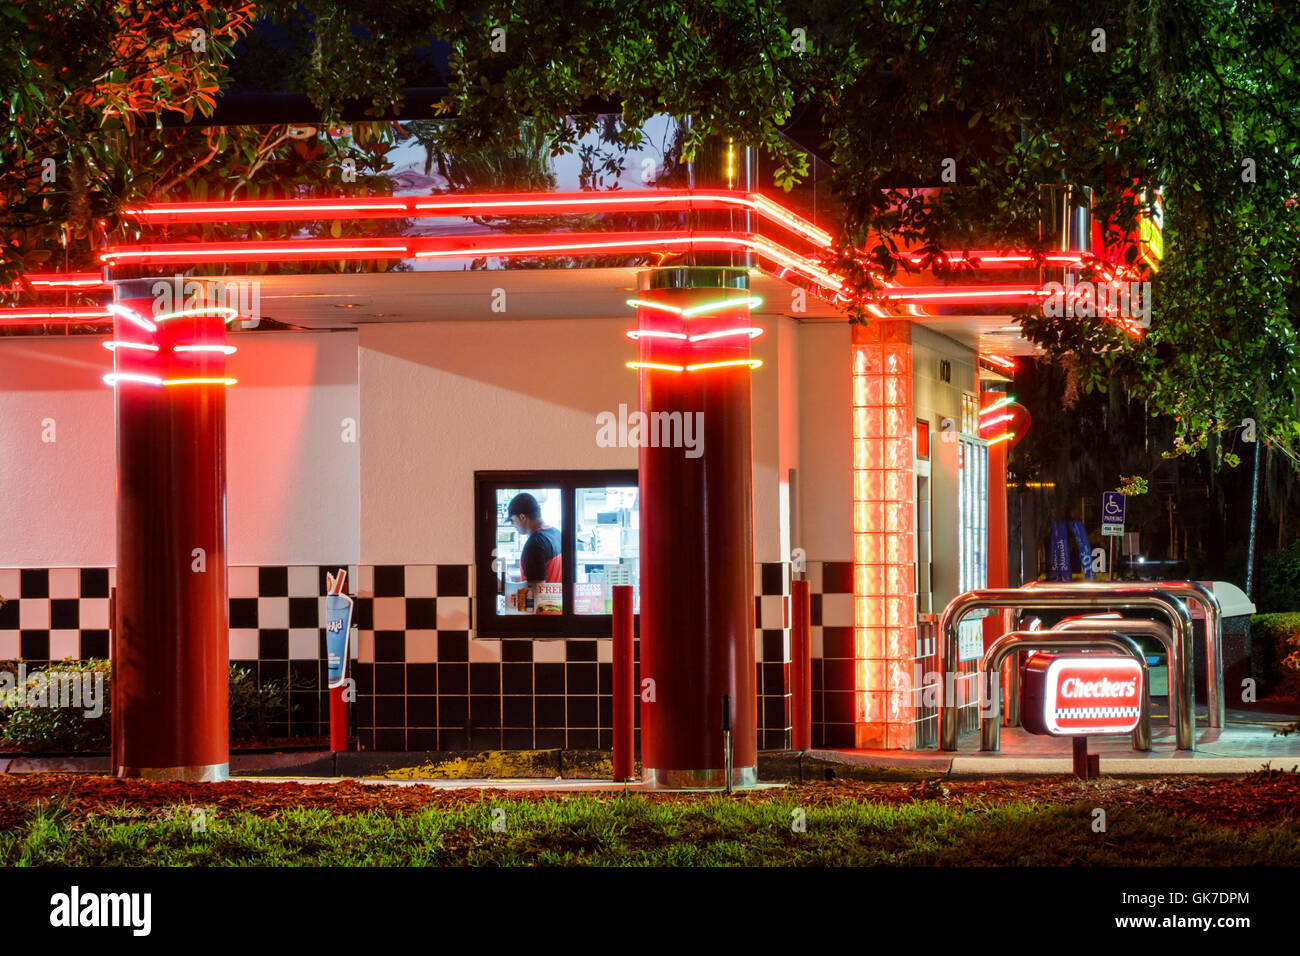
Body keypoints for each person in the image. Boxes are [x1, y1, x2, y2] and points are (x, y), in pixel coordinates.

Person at [506, 493, 562, 584]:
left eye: (512, 520)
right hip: (558, 597)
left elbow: (535, 591)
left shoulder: (535, 544)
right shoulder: (557, 533)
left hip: (543, 598)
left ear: (522, 517)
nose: (513, 525)